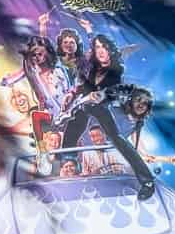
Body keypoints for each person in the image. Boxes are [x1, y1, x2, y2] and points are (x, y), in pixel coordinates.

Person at [58, 34, 157, 199]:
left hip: (102, 106)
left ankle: (147, 181)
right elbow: (84, 86)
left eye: (104, 47)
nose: (101, 51)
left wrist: (98, 96)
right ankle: (63, 168)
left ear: (110, 49)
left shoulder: (117, 69)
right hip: (85, 106)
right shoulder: (93, 67)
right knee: (73, 126)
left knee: (117, 139)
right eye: (97, 47)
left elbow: (111, 91)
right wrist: (72, 94)